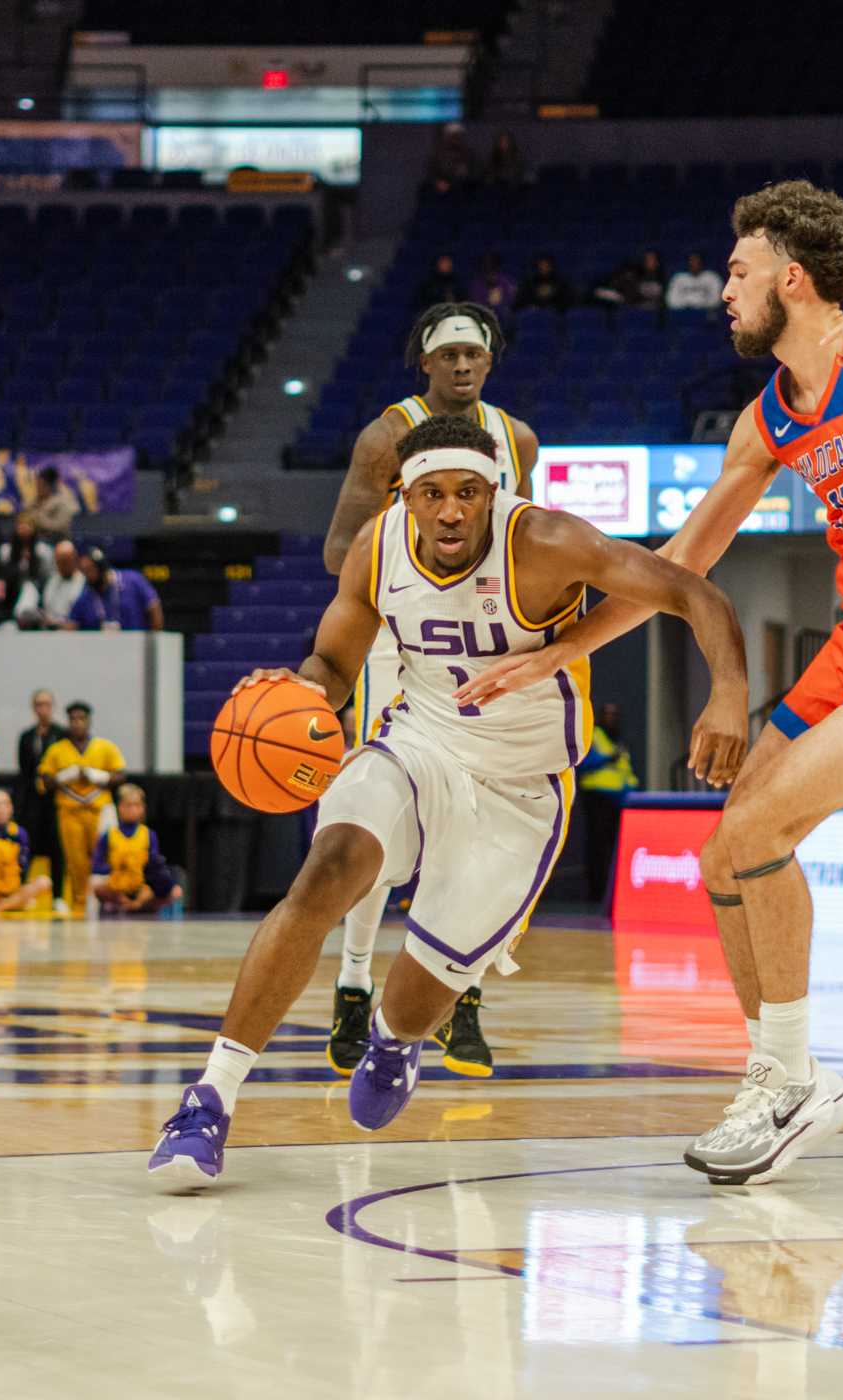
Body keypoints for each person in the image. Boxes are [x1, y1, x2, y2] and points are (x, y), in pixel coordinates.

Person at [456, 179, 843, 1183]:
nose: (720, 289)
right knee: (721, 855)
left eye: (735, 272)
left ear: (791, 277)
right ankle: (778, 1076)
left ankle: (793, 1077)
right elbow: (685, 557)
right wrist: (565, 650)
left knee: (756, 829)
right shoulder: (769, 415)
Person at [146, 413, 749, 1187]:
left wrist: (728, 692)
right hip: (419, 744)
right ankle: (208, 1103)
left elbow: (692, 592)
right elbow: (334, 661)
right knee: (328, 869)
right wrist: (294, 693)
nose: (452, 510)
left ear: (493, 492)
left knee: (413, 1000)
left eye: (469, 491)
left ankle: (397, 1038)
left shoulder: (548, 542)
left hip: (519, 788)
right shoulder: (378, 548)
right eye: (433, 493)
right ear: (407, 495)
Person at [317, 300, 541, 1077]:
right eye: (445, 355)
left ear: (488, 361)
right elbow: (338, 549)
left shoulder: (517, 440)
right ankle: (352, 984)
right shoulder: (386, 437)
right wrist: (417, 553)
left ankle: (461, 998)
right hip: (400, 635)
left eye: (470, 355)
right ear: (424, 362)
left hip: (488, 639)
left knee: (478, 825)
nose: (459, 366)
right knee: (379, 827)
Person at [37, 699, 125, 917]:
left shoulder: (105, 747)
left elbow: (120, 775)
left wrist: (98, 776)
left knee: (103, 859)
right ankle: (78, 905)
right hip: (70, 812)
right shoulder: (57, 750)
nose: (77, 723)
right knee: (76, 862)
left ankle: (102, 903)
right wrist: (63, 777)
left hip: (98, 811)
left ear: (89, 721)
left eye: (82, 719)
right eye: (73, 719)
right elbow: (44, 780)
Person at [577, 701, 639, 902]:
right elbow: (582, 763)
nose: (612, 717)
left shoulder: (618, 741)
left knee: (616, 849)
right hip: (597, 797)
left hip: (620, 801)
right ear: (601, 716)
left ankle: (614, 895)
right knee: (598, 849)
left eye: (615, 714)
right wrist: (607, 759)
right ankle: (596, 895)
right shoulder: (592, 735)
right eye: (608, 713)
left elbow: (625, 772)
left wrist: (634, 792)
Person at [92, 782, 181, 914]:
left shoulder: (148, 834)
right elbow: (97, 865)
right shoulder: (109, 834)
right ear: (120, 807)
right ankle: (125, 904)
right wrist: (117, 868)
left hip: (141, 886)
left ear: (142, 808)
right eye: (128, 805)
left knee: (175, 891)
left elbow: (154, 866)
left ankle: (137, 906)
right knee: (97, 886)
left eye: (136, 805)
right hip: (117, 885)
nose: (132, 810)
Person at [14, 689, 66, 899]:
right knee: (28, 845)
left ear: (52, 707)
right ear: (33, 708)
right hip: (32, 800)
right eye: (38, 704)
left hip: (55, 799)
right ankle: (22, 893)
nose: (42, 709)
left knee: (57, 847)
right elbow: (24, 771)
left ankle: (58, 897)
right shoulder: (27, 737)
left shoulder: (62, 734)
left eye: (46, 704)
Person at [67, 547, 164, 631]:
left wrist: (154, 640)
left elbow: (153, 606)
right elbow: (72, 624)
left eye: (90, 570)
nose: (87, 576)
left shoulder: (133, 580)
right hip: (103, 648)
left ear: (102, 568)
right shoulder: (86, 596)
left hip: (136, 646)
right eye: (84, 572)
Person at [14, 538, 84, 630]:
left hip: (74, 631)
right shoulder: (50, 581)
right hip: (49, 630)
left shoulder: (84, 584)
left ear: (74, 559)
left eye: (65, 561)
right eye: (59, 561)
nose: (62, 565)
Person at [20, 464, 77, 540]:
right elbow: (23, 519)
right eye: (37, 484)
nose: (37, 487)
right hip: (31, 542)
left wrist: (37, 518)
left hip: (54, 542)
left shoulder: (62, 503)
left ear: (49, 485)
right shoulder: (33, 502)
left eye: (41, 484)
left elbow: (60, 528)